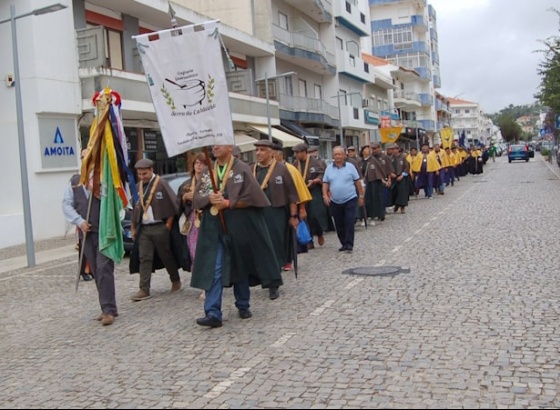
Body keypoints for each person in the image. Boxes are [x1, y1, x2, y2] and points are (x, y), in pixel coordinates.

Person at [191, 144, 283, 328]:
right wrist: (209, 198)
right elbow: (197, 199)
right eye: (213, 145)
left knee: (239, 265)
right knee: (214, 267)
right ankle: (213, 312)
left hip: (237, 226)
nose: (215, 147)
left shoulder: (241, 168)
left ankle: (243, 304)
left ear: (230, 147)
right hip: (213, 228)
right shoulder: (209, 170)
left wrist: (228, 202)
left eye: (220, 144)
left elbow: (253, 198)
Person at [62, 151, 118, 326]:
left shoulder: (104, 179)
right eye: (83, 157)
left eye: (90, 156)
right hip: (86, 233)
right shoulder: (75, 182)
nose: (86, 160)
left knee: (103, 269)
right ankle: (108, 306)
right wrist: (79, 221)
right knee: (95, 269)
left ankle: (108, 309)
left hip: (103, 232)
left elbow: (116, 203)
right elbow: (66, 204)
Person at [251, 139, 299, 299]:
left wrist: (293, 216)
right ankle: (263, 278)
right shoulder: (252, 170)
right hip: (256, 214)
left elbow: (292, 194)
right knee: (260, 248)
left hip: (276, 213)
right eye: (257, 150)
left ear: (272, 152)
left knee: (274, 247)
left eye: (262, 150)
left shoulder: (282, 169)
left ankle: (273, 283)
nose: (259, 153)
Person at [130, 158, 182, 301]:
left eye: (144, 174)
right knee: (144, 257)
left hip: (160, 226)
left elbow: (173, 206)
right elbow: (135, 208)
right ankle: (144, 289)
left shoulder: (162, 184)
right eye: (139, 174)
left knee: (166, 255)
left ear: (151, 170)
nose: (142, 177)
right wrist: (133, 227)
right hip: (145, 228)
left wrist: (168, 226)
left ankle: (175, 279)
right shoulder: (138, 187)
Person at [322, 146, 364, 253]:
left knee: (349, 221)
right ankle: (344, 243)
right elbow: (325, 183)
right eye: (335, 155)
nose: (337, 157)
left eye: (339, 154)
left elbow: (357, 182)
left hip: (350, 198)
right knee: (339, 223)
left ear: (344, 155)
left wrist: (361, 196)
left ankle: (349, 244)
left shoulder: (350, 167)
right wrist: (325, 195)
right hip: (335, 200)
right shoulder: (329, 168)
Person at [178, 152, 207, 300]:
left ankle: (208, 285)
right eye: (196, 163)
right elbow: (178, 205)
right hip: (192, 223)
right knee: (194, 253)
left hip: (206, 221)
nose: (198, 165)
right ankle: (201, 282)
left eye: (201, 163)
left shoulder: (209, 182)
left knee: (206, 253)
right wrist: (184, 198)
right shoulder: (186, 184)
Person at [292, 143, 329, 248]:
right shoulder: (295, 164)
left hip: (313, 192)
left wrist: (316, 180)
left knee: (314, 215)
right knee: (304, 216)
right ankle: (309, 240)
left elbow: (323, 175)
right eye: (295, 152)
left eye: (297, 152)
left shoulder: (315, 162)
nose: (296, 155)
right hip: (301, 193)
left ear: (304, 152)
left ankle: (319, 233)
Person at [363, 142, 393, 221]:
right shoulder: (371, 158)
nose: (374, 150)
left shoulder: (385, 157)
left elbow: (389, 169)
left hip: (382, 180)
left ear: (379, 148)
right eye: (372, 149)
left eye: (375, 148)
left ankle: (381, 214)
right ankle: (373, 214)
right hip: (372, 180)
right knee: (371, 198)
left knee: (381, 198)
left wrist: (389, 179)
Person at [387, 143, 411, 214]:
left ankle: (402, 207)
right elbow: (387, 167)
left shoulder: (402, 157)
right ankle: (396, 205)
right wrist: (390, 174)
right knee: (394, 192)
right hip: (393, 177)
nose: (393, 151)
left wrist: (402, 175)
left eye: (394, 149)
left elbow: (406, 167)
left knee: (402, 193)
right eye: (392, 149)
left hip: (401, 177)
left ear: (398, 149)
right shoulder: (390, 158)